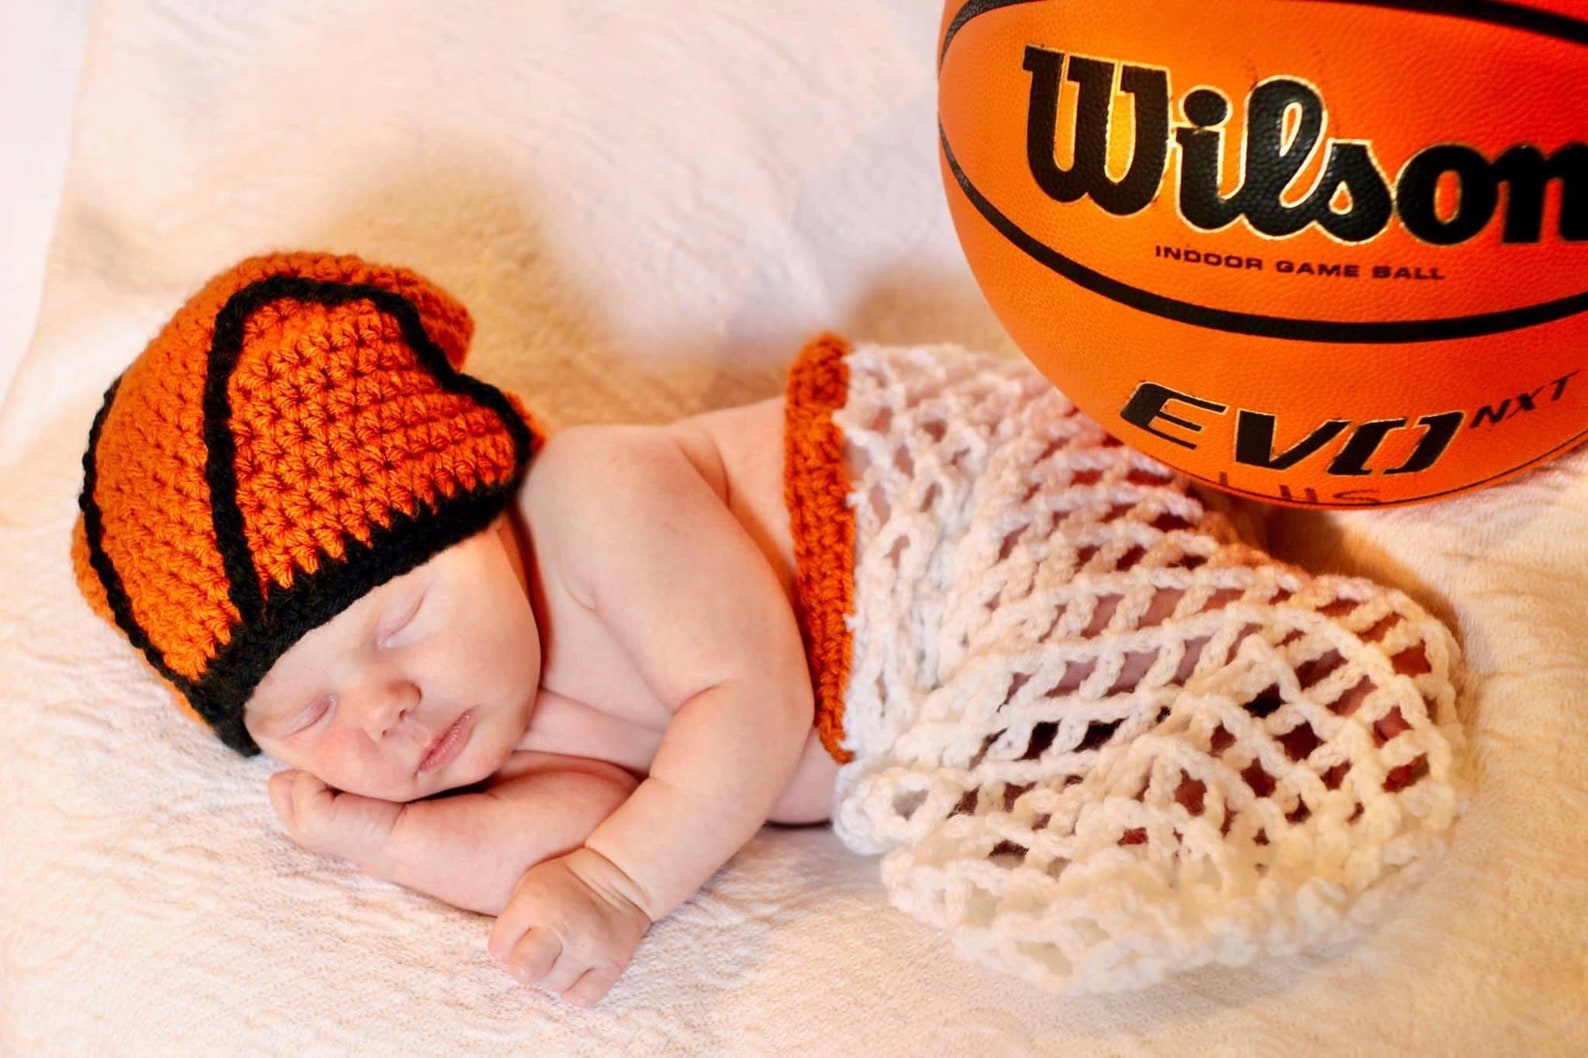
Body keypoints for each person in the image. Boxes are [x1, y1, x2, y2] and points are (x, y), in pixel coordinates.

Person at [74, 252, 1463, 1007]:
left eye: (399, 617)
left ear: (482, 487)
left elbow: (750, 697)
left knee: (1086, 626)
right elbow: (557, 838)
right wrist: (382, 837)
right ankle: (1222, 696)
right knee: (1082, 777)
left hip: (933, 526)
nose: (382, 708)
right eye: (303, 715)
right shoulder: (475, 726)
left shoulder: (594, 498)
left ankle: (1274, 637)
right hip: (925, 697)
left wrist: (620, 887)